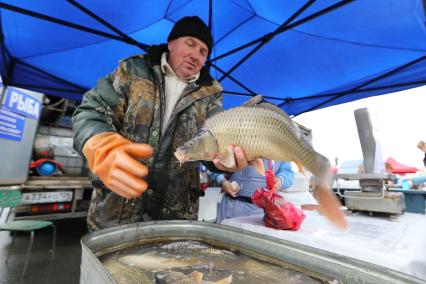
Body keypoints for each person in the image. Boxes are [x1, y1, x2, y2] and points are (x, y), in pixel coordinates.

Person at [72, 16, 247, 231]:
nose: (196, 55)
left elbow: (213, 142)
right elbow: (92, 110)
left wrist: (222, 160)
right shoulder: (133, 70)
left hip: (175, 218)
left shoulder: (211, 93)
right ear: (171, 43)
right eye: (190, 44)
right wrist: (99, 143)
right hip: (116, 212)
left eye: (203, 52)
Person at [211, 160, 294, 224]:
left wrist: (280, 180)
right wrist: (222, 181)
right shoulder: (238, 140)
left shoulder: (278, 146)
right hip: (233, 206)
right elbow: (214, 166)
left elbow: (287, 172)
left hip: (263, 211)